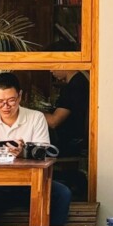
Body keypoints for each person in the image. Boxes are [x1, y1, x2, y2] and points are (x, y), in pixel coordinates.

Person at [0, 72, 72, 226]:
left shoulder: (36, 118)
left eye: (11, 100)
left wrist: (23, 153)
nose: (5, 106)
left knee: (62, 193)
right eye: (0, 102)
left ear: (20, 96)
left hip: (32, 184)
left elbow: (44, 153)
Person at [43, 69, 90, 199]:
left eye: (53, 66)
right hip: (75, 139)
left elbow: (54, 121)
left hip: (71, 143)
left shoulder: (74, 87)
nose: (51, 70)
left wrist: (31, 112)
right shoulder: (81, 80)